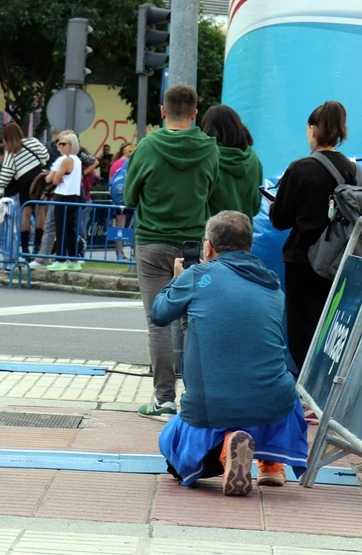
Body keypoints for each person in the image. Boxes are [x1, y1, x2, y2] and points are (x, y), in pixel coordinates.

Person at [154, 211, 309, 496]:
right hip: (273, 405)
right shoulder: (273, 284)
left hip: (213, 408)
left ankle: (228, 448)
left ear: (209, 247)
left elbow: (160, 313)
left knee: (172, 450)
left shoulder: (197, 276)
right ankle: (271, 464)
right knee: (282, 384)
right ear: (249, 245)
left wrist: (180, 279)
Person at [125, 84, 220, 421]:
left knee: (158, 323)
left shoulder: (148, 146)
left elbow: (129, 197)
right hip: (192, 245)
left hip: (151, 243)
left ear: (162, 112)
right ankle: (194, 399)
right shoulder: (210, 149)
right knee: (191, 322)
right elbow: (212, 192)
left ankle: (164, 399)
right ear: (195, 113)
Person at [270, 101, 351, 373]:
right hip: (341, 262)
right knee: (334, 332)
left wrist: (274, 203)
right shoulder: (354, 172)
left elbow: (279, 220)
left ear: (313, 130)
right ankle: (325, 393)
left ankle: (306, 396)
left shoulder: (300, 168)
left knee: (303, 331)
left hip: (303, 260)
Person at [0, 122, 50, 262]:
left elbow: (7, 173)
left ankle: (25, 249)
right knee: (41, 211)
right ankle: (38, 247)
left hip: (24, 181)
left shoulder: (11, 150)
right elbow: (45, 156)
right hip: (39, 178)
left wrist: (1, 188)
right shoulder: (33, 141)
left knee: (26, 214)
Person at [203, 105, 264, 221]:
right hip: (244, 234)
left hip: (212, 234)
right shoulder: (254, 160)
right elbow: (256, 208)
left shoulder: (207, 159)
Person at [45, 132, 84, 272]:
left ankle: (60, 259)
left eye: (63, 144)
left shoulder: (66, 160)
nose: (59, 146)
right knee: (71, 229)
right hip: (74, 196)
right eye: (59, 143)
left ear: (71, 145)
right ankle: (74, 260)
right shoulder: (78, 160)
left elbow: (54, 180)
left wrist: (57, 176)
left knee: (61, 229)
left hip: (63, 195)